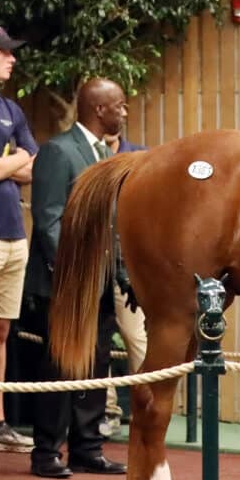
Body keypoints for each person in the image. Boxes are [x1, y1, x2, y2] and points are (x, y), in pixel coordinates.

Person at [24, 77, 130, 479]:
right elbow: (49, 219)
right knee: (60, 367)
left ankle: (87, 448)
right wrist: (71, 275)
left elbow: (111, 225)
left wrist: (121, 274)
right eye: (118, 104)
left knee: (96, 365)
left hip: (100, 281)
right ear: (98, 109)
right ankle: (47, 452)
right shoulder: (57, 150)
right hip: (67, 284)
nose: (124, 111)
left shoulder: (103, 153)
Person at [0, 24, 37, 452]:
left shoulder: (11, 110)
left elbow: (32, 168)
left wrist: (7, 159)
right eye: (4, 51)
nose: (11, 58)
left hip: (14, 236)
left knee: (0, 329)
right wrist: (12, 160)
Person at [100, 128, 148, 438]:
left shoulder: (141, 156)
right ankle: (108, 409)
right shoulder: (88, 153)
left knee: (137, 336)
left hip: (126, 264)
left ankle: (148, 401)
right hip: (98, 262)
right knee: (98, 340)